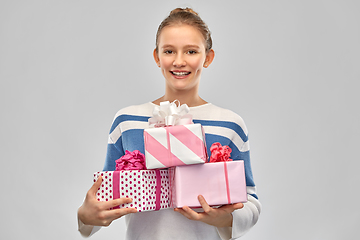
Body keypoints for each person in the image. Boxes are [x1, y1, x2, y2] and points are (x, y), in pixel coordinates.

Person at [78, 7, 261, 239]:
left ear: (208, 57)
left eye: (191, 51)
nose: (179, 61)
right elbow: (104, 198)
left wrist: (227, 218)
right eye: (169, 51)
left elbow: (250, 199)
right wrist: (85, 217)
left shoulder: (229, 124)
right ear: (157, 57)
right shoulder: (127, 121)